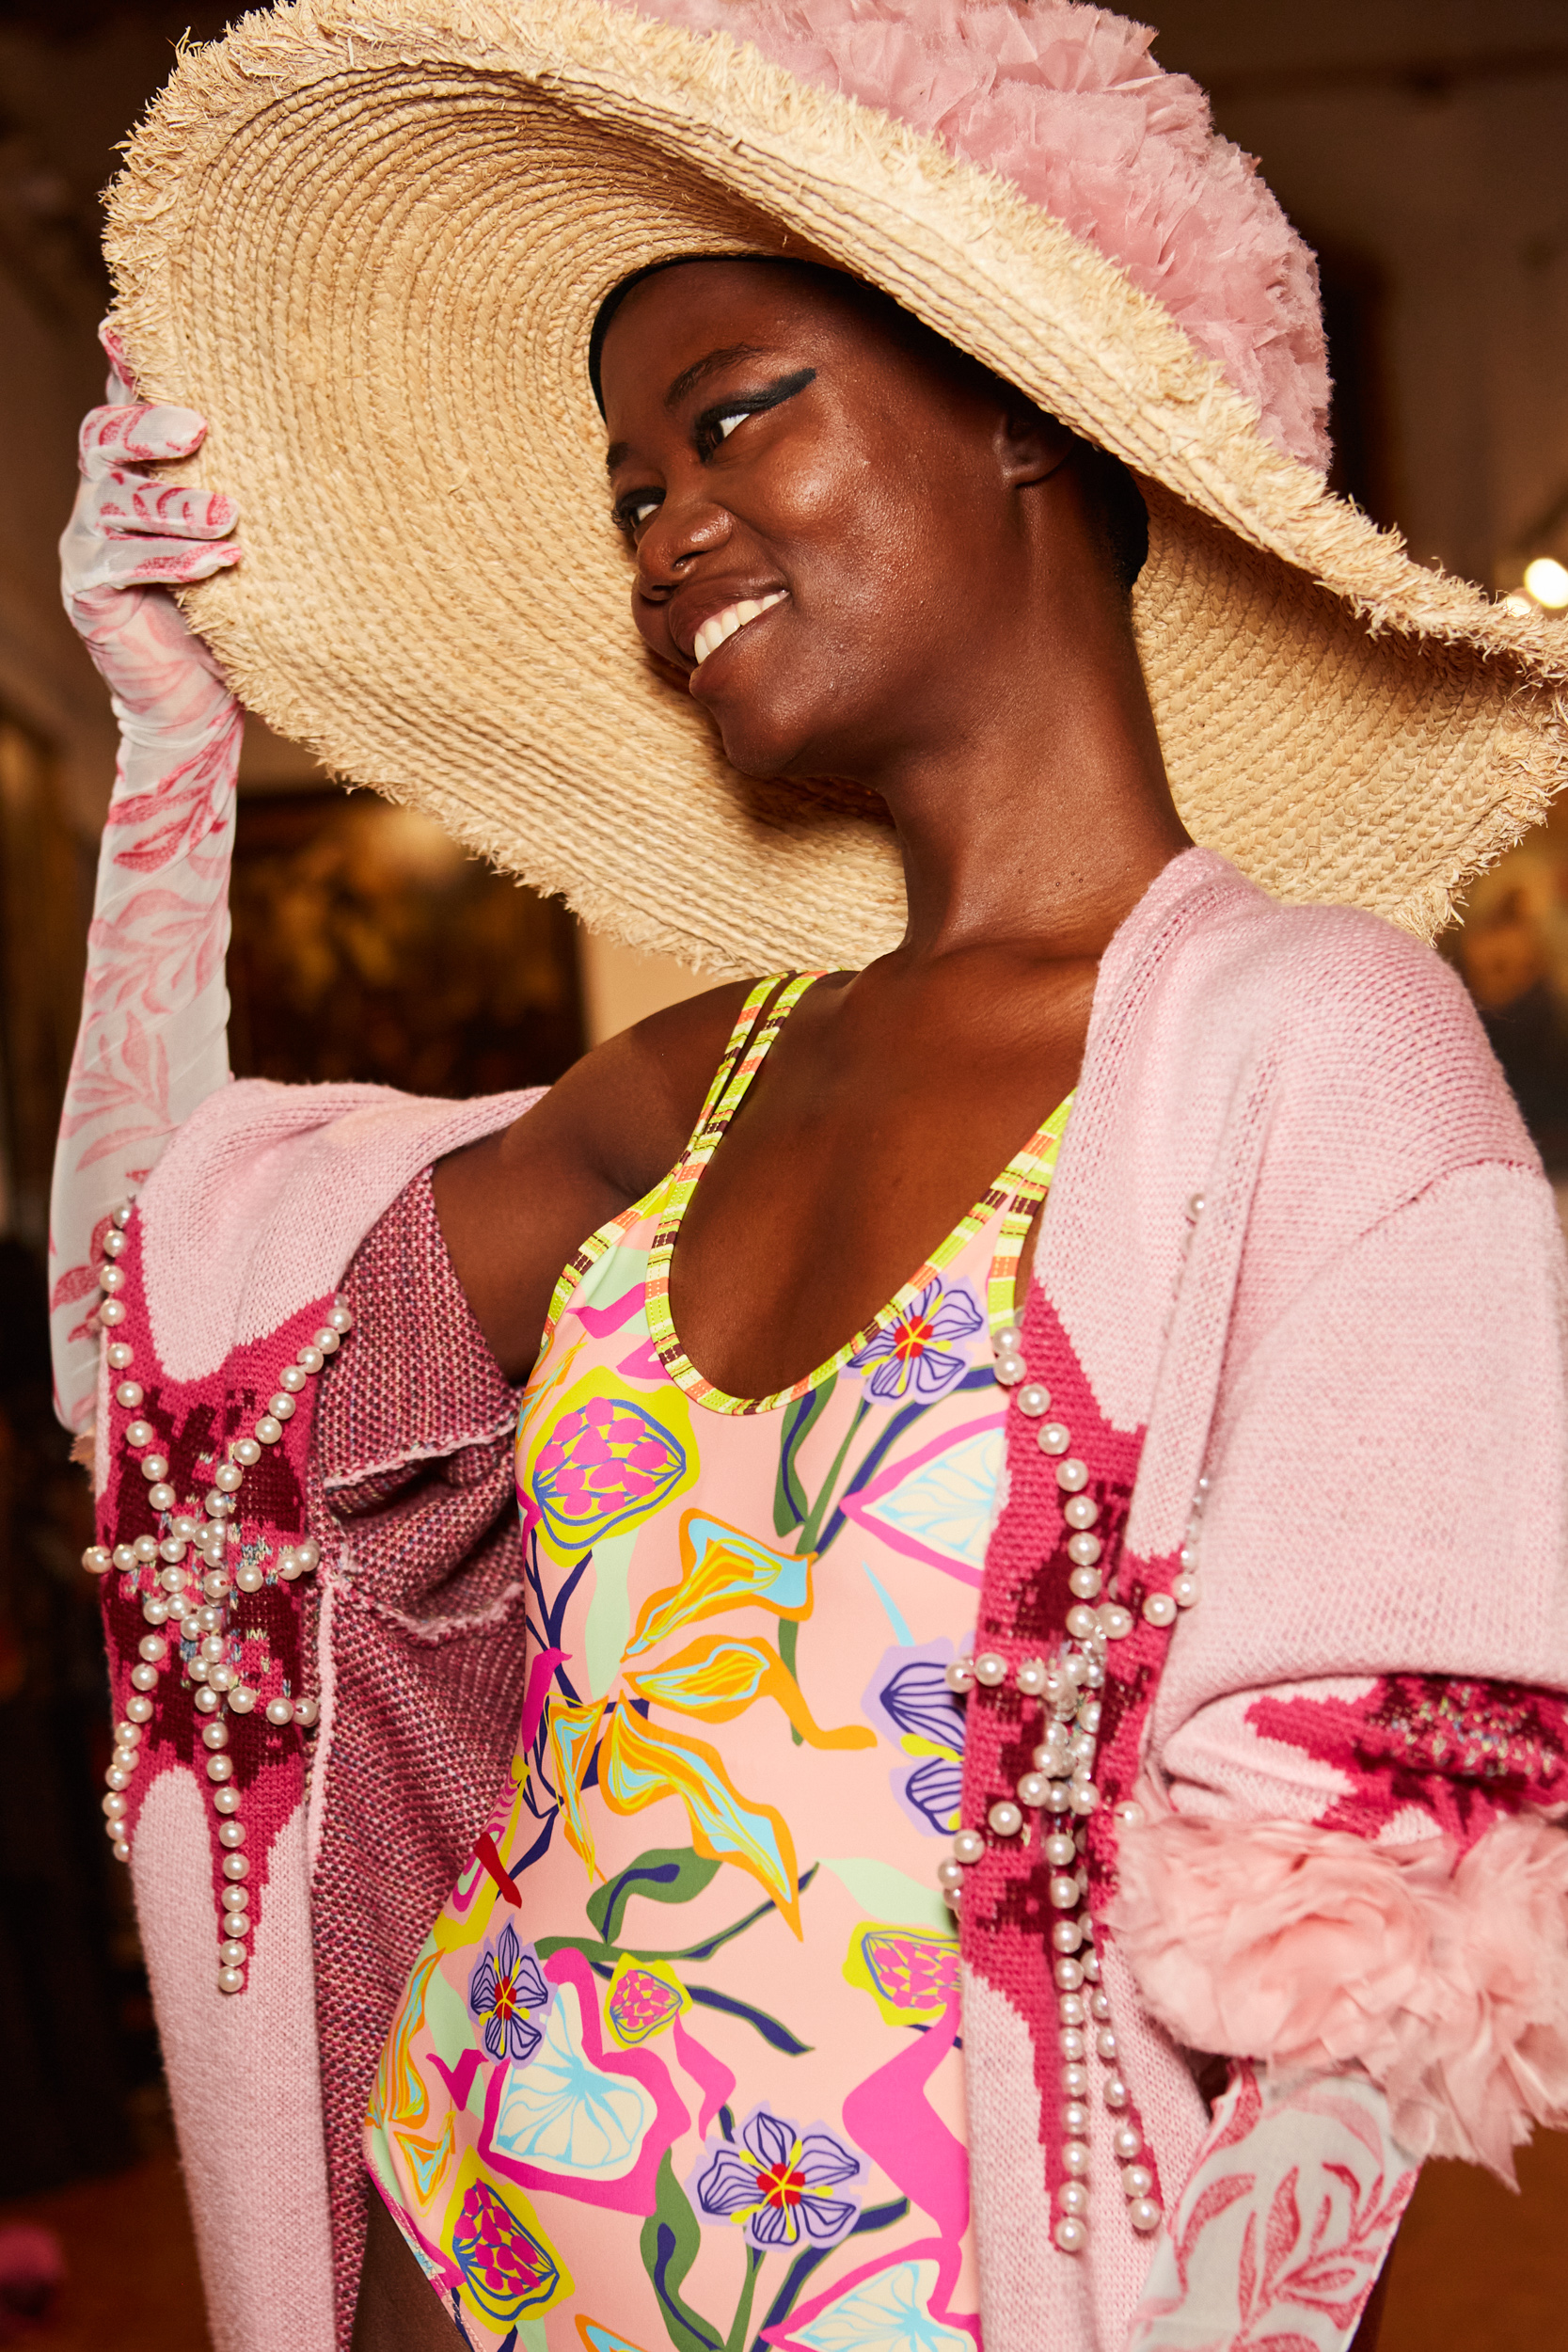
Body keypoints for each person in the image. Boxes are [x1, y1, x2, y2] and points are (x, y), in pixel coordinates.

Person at [50, 6, 1568, 2352]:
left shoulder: (1304, 1047)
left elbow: (1386, 1955)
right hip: (445, 2241)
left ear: (1013, 405)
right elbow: (162, 1339)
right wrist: (167, 743)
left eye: (733, 410)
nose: (662, 522)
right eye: (628, 482)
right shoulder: (704, 1076)